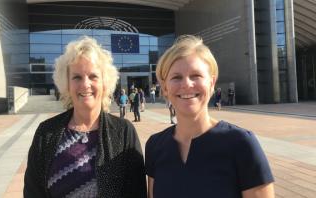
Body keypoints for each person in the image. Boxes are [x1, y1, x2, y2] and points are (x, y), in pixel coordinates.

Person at [145, 35, 274, 198]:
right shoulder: (155, 146)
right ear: (164, 88)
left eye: (196, 76)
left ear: (212, 83)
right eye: (176, 77)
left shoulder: (241, 144)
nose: (186, 84)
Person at [24, 37, 146, 198]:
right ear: (66, 83)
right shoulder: (46, 132)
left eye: (93, 76)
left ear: (104, 82)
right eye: (77, 77)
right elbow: (33, 192)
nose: (85, 84)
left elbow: (136, 192)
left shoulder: (123, 131)